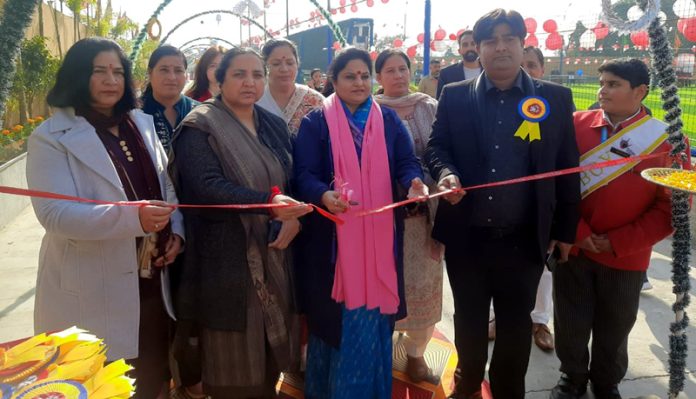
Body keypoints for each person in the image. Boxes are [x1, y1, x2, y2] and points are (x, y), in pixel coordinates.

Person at [424, 9, 580, 399]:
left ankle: (510, 390)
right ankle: (467, 383)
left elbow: (566, 166)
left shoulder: (554, 98)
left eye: (509, 38)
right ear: (477, 49)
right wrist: (446, 174)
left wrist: (564, 231)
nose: (500, 47)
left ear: (523, 43)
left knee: (515, 325)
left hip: (525, 238)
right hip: (468, 237)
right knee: (470, 320)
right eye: (490, 40)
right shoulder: (455, 96)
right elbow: (437, 147)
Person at [26, 37, 184, 399]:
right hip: (92, 284)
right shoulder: (51, 138)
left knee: (152, 372)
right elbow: (55, 214)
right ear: (78, 76)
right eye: (99, 71)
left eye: (118, 71)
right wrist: (136, 221)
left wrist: (175, 230)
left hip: (150, 279)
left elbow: (166, 187)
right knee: (102, 381)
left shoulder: (140, 124)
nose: (111, 80)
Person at [170, 47, 311, 398]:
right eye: (239, 74)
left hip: (275, 249)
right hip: (225, 259)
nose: (250, 82)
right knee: (232, 354)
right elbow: (206, 188)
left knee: (271, 344)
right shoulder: (200, 125)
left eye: (257, 75)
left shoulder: (272, 125)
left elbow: (291, 178)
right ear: (218, 80)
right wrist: (269, 205)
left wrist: (293, 220)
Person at [293, 47, 428, 398]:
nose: (360, 82)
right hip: (333, 243)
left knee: (373, 322)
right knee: (335, 323)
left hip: (380, 240)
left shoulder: (387, 121)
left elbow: (406, 162)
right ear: (333, 81)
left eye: (365, 76)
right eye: (350, 76)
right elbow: (303, 174)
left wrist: (414, 181)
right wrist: (323, 194)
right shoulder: (316, 122)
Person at [550, 58, 687, 399]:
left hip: (626, 253)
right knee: (571, 319)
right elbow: (554, 184)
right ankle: (572, 377)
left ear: (640, 91)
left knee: (616, 324)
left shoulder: (667, 141)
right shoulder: (575, 125)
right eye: (602, 82)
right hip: (575, 246)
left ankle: (606, 381)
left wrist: (617, 242)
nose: (602, 90)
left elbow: (672, 208)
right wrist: (577, 230)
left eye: (613, 84)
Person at [373, 49, 443, 384]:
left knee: (422, 285)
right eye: (390, 70)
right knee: (383, 283)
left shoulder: (429, 106)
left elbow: (444, 150)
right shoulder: (367, 111)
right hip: (382, 217)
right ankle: (380, 350)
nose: (398, 75)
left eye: (403, 68)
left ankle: (416, 355)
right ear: (378, 78)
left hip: (425, 218)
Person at [521, 45, 555, 352]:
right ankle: (494, 317)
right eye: (522, 64)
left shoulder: (555, 103)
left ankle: (541, 321)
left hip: (542, 207)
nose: (526, 70)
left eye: (532, 64)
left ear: (541, 69)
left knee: (543, 267)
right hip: (505, 210)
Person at [257, 38, 324, 135]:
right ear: (263, 67)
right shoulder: (254, 100)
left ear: (297, 64)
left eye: (290, 63)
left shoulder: (315, 100)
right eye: (276, 64)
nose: (284, 69)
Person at [140, 45, 198, 152]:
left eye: (178, 70)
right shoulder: (135, 114)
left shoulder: (200, 113)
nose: (172, 77)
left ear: (186, 75)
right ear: (150, 73)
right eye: (164, 70)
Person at [436, 30, 482, 99]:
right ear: (459, 51)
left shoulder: (491, 71)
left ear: (479, 48)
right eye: (465, 45)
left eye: (473, 44)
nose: (469, 48)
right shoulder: (446, 74)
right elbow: (440, 103)